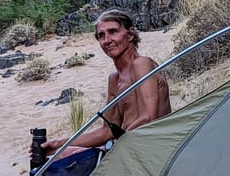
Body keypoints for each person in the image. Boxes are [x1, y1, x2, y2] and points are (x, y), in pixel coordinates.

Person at [42, 9, 171, 159]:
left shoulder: (141, 64)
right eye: (101, 35)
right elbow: (107, 131)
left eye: (113, 32)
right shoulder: (114, 79)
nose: (107, 40)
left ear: (130, 35)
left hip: (151, 149)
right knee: (60, 155)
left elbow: (149, 118)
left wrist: (109, 148)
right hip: (128, 147)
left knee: (68, 158)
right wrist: (59, 144)